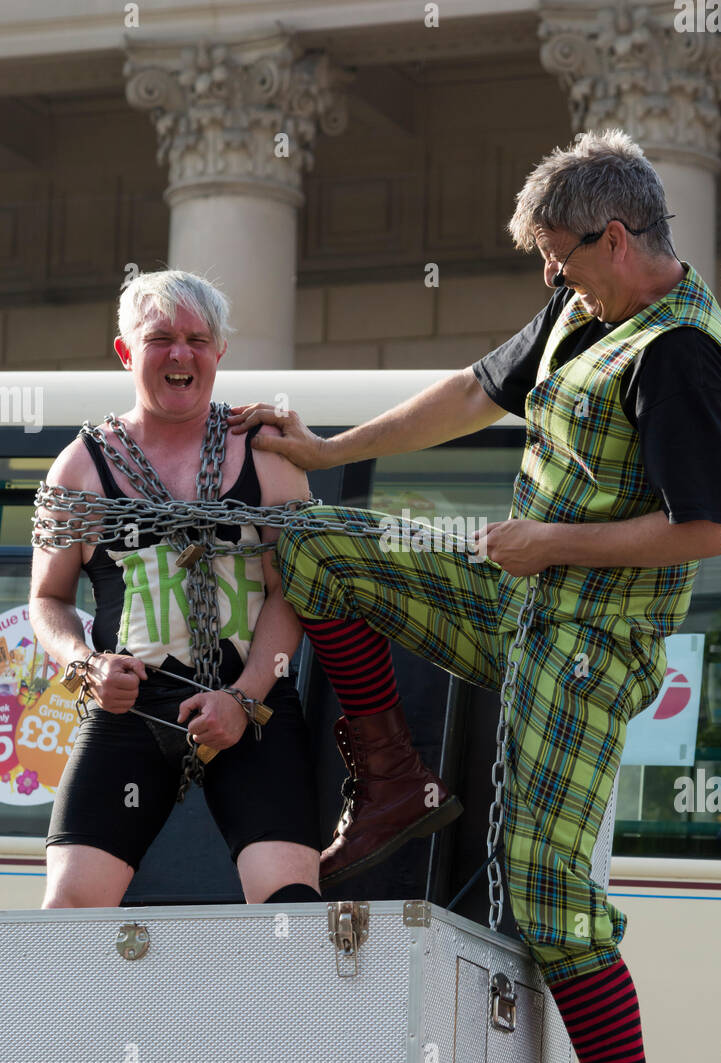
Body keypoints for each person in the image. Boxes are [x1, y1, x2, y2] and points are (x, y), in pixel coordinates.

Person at [228, 128, 721, 1063]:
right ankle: (391, 783)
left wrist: (547, 541)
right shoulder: (580, 305)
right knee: (318, 548)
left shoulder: (678, 352)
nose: (547, 277)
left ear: (613, 236)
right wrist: (324, 451)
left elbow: (707, 531)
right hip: (514, 598)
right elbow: (471, 390)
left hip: (593, 643)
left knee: (545, 893)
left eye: (557, 255)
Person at [30, 270, 455, 911]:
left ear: (219, 352)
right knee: (67, 914)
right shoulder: (83, 466)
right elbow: (48, 599)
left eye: (198, 340)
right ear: (125, 351)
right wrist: (84, 665)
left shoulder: (264, 453)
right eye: (161, 339)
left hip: (252, 704)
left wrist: (244, 696)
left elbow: (295, 589)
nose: (181, 354)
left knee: (290, 906)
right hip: (127, 710)